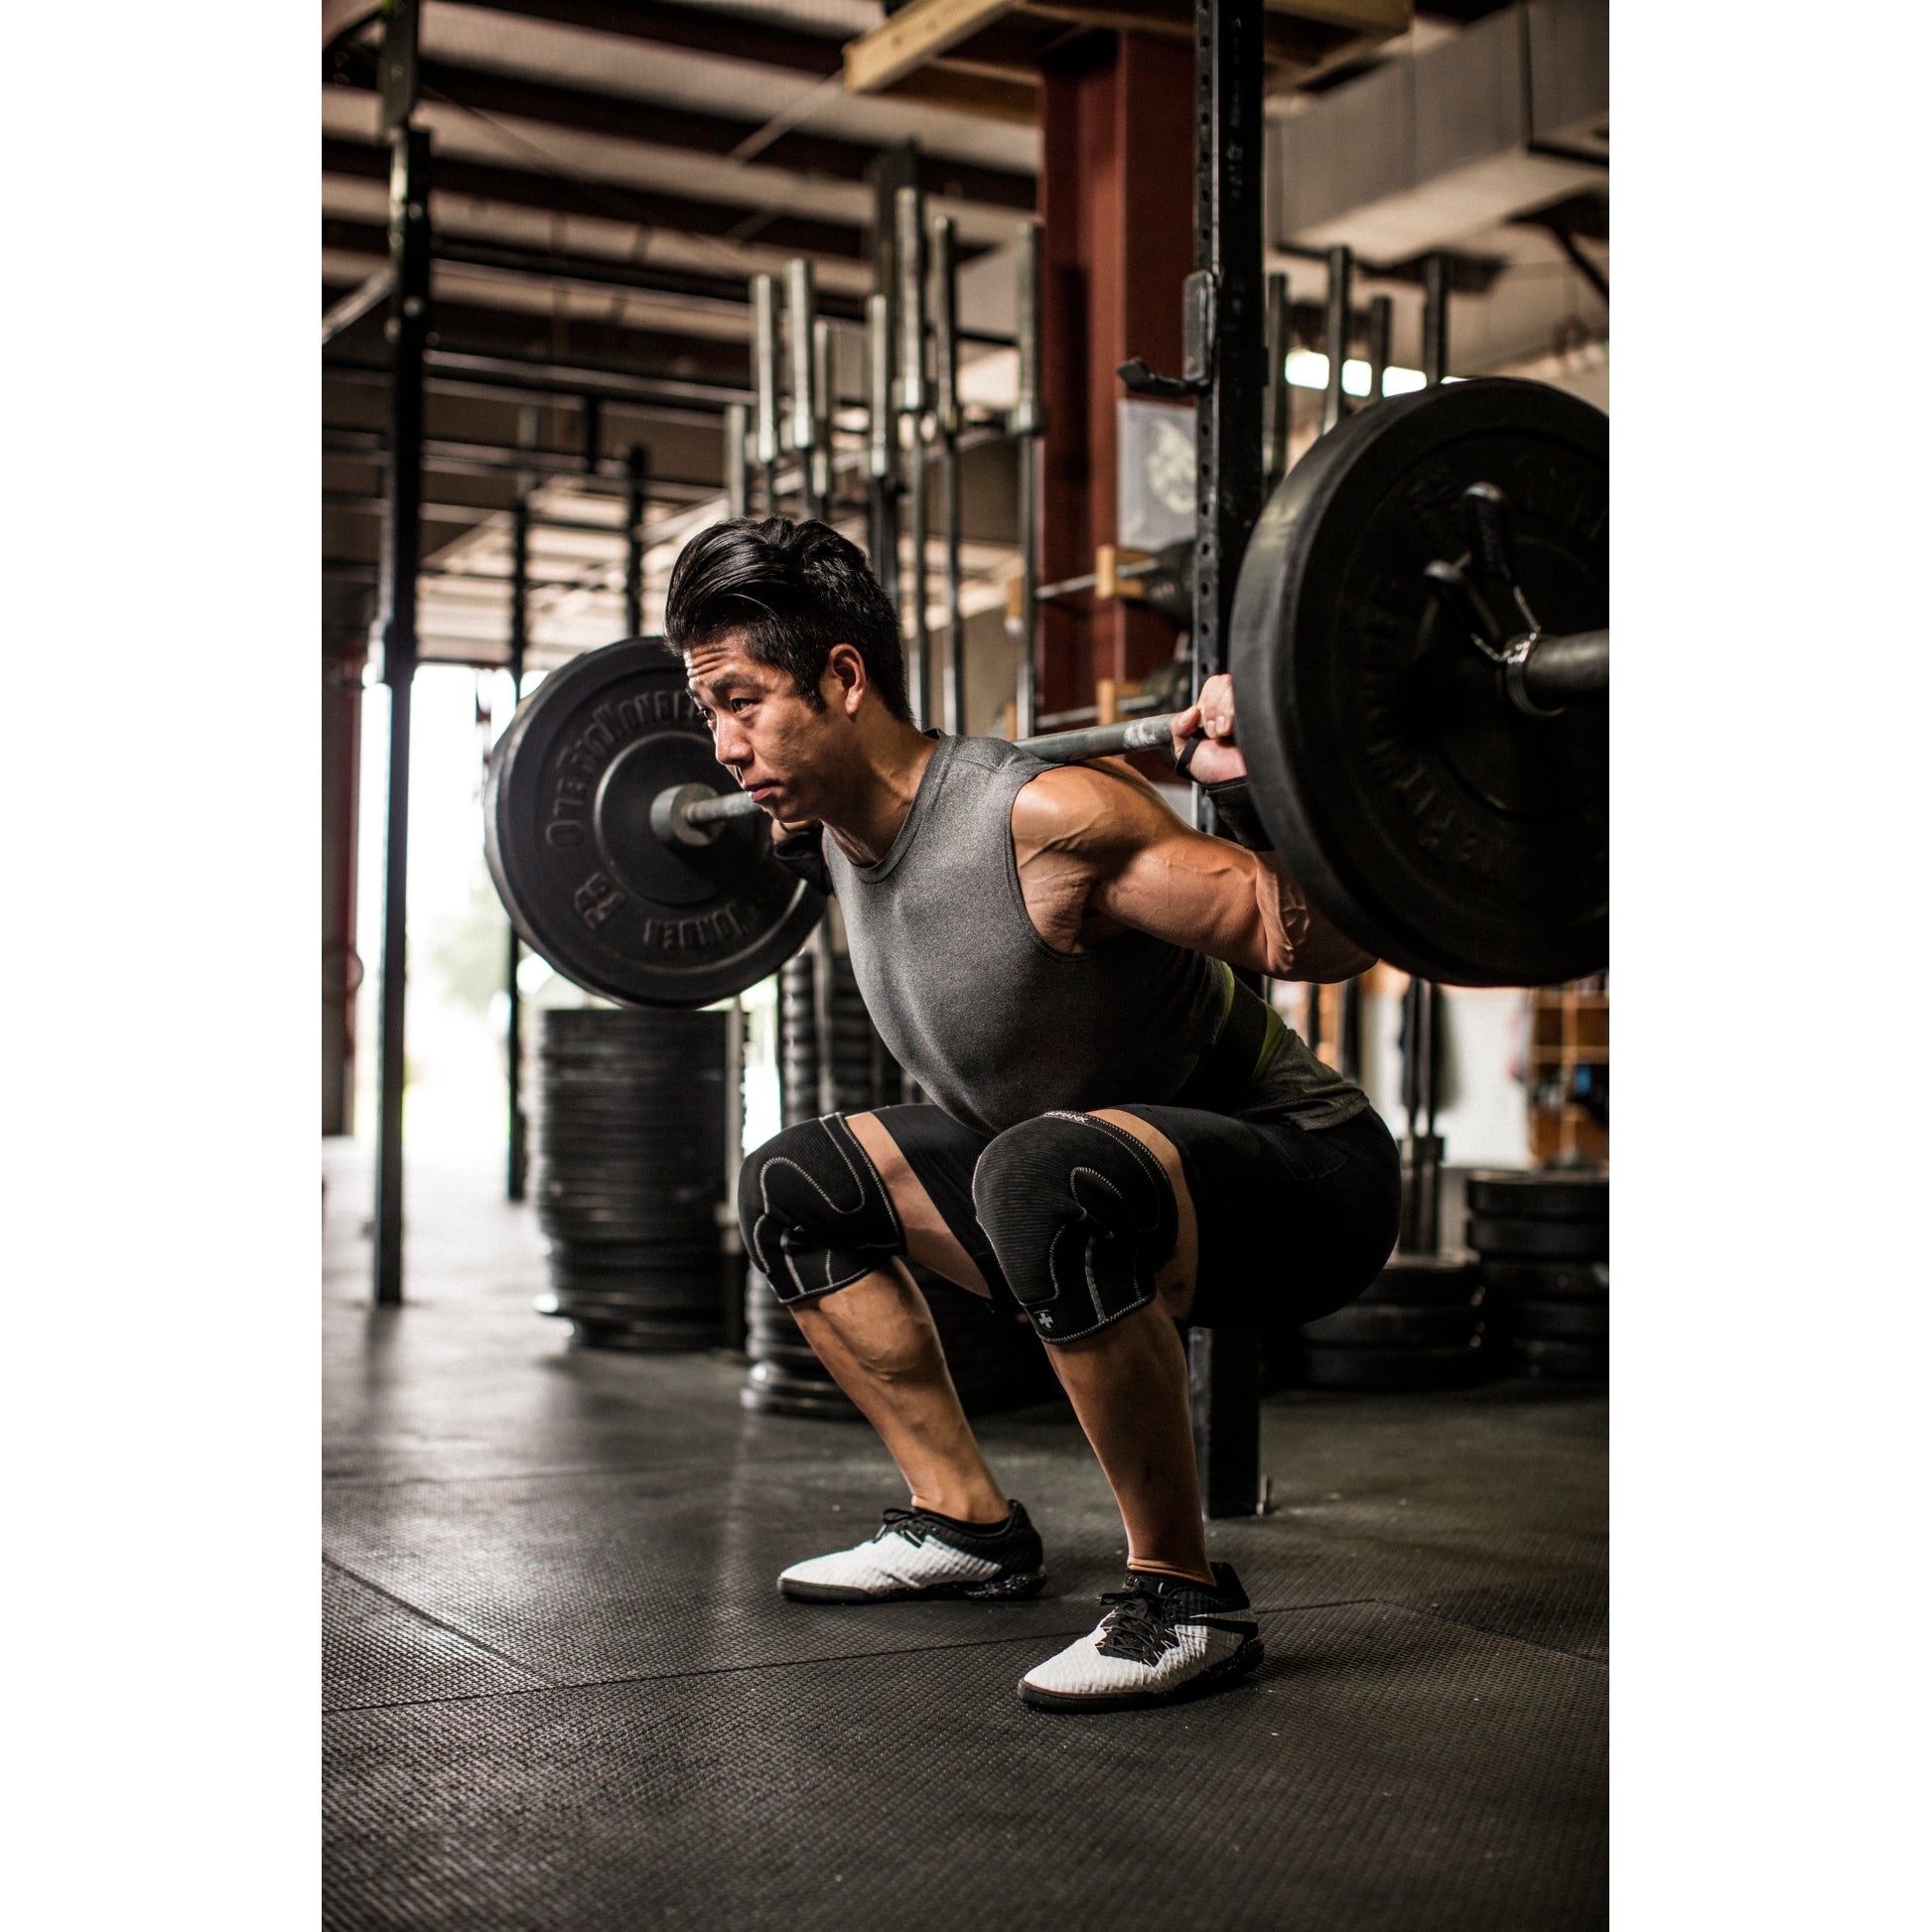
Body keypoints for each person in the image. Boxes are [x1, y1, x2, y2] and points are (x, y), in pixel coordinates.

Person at [665, 517, 1400, 1712]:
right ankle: (966, 1522)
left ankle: (1184, 1597)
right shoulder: (825, 829)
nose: (722, 745)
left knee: (1036, 1174)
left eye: (742, 702)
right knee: (791, 1187)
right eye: (709, 711)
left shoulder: (1048, 819)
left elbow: (1305, 939)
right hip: (1082, 1177)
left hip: (1304, 1176)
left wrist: (1266, 784)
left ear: (843, 678)